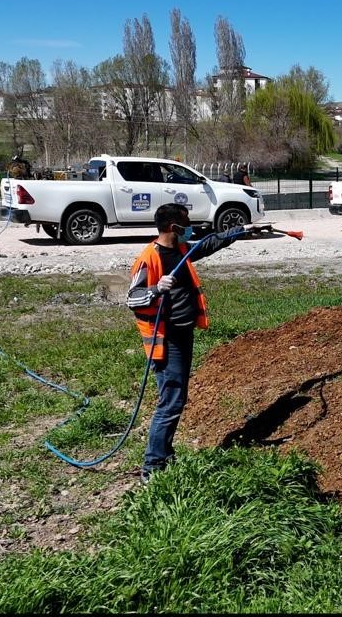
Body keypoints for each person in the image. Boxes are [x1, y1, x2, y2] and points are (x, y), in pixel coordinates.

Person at [126, 203, 250, 483]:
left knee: (175, 399)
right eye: (186, 223)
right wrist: (157, 289)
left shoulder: (181, 250)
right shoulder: (149, 258)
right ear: (174, 228)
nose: (190, 227)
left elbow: (208, 243)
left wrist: (243, 230)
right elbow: (132, 298)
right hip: (166, 339)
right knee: (171, 401)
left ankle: (164, 456)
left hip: (183, 334)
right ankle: (153, 467)